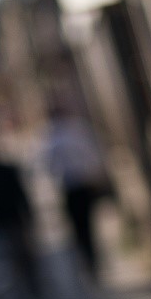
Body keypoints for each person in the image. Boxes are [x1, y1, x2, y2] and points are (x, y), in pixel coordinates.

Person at [40, 103, 109, 283]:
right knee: (88, 224)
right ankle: (92, 259)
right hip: (84, 185)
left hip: (69, 187)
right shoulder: (77, 132)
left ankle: (87, 260)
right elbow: (93, 157)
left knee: (78, 227)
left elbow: (48, 167)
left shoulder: (51, 139)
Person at [0, 132, 43, 299]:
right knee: (21, 254)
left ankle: (30, 287)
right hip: (9, 218)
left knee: (18, 255)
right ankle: (30, 287)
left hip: (8, 219)